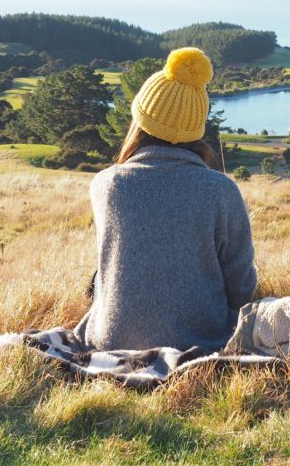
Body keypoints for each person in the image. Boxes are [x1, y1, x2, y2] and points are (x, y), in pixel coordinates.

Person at [74, 47, 257, 351]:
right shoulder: (221, 190)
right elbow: (241, 289)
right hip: (200, 342)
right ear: (196, 130)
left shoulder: (104, 184)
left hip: (110, 339)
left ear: (140, 122)